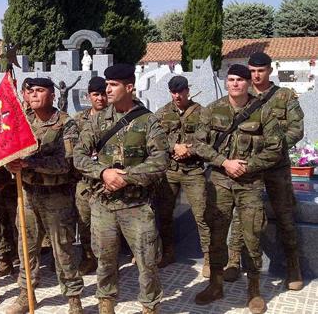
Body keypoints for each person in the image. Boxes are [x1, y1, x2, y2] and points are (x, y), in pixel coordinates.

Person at [74, 64, 167, 314]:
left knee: (147, 262)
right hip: (103, 205)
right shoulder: (97, 121)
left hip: (136, 206)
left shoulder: (148, 121)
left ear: (129, 87)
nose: (108, 89)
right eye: (107, 84)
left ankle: (150, 307)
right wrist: (103, 172)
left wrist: (126, 177)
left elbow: (160, 161)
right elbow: (78, 156)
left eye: (113, 85)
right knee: (104, 261)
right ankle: (106, 305)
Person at [192, 64, 282, 313]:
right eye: (230, 79)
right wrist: (224, 162)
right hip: (220, 181)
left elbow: (275, 149)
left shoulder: (263, 111)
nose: (235, 84)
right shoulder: (213, 109)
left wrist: (248, 166)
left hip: (249, 183)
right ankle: (215, 285)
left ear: (248, 83)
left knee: (252, 236)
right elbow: (199, 144)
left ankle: (254, 290)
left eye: (240, 80)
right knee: (216, 235)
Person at [224, 52, 305, 291]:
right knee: (241, 214)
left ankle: (293, 266)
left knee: (285, 215)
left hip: (276, 166)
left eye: (260, 71)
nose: (256, 75)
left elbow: (296, 130)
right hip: (247, 168)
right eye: (252, 71)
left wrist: (270, 149)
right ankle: (233, 260)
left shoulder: (284, 96)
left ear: (270, 70)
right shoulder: (242, 96)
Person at [5, 77, 84, 314]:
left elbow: (67, 163)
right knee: (26, 247)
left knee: (63, 249)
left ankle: (73, 299)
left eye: (41, 91)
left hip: (56, 196)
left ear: (51, 95)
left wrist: (30, 163)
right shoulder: (23, 121)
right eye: (31, 91)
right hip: (27, 194)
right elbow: (10, 151)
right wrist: (11, 165)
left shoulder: (65, 124)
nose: (35, 95)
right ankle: (25, 294)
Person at [154, 76, 211, 276]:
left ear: (188, 91)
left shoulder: (202, 113)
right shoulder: (162, 113)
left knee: (202, 215)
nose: (177, 96)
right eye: (173, 92)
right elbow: (156, 139)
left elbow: (207, 138)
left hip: (193, 171)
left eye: (181, 92)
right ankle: (168, 252)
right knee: (165, 214)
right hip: (170, 170)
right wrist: (174, 147)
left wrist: (189, 148)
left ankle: (209, 259)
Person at [72, 76, 108, 276]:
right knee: (84, 221)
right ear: (88, 96)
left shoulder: (115, 118)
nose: (100, 98)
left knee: (106, 226)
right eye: (96, 94)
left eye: (103, 94)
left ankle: (107, 261)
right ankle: (88, 257)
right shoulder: (79, 120)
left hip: (107, 180)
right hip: (84, 180)